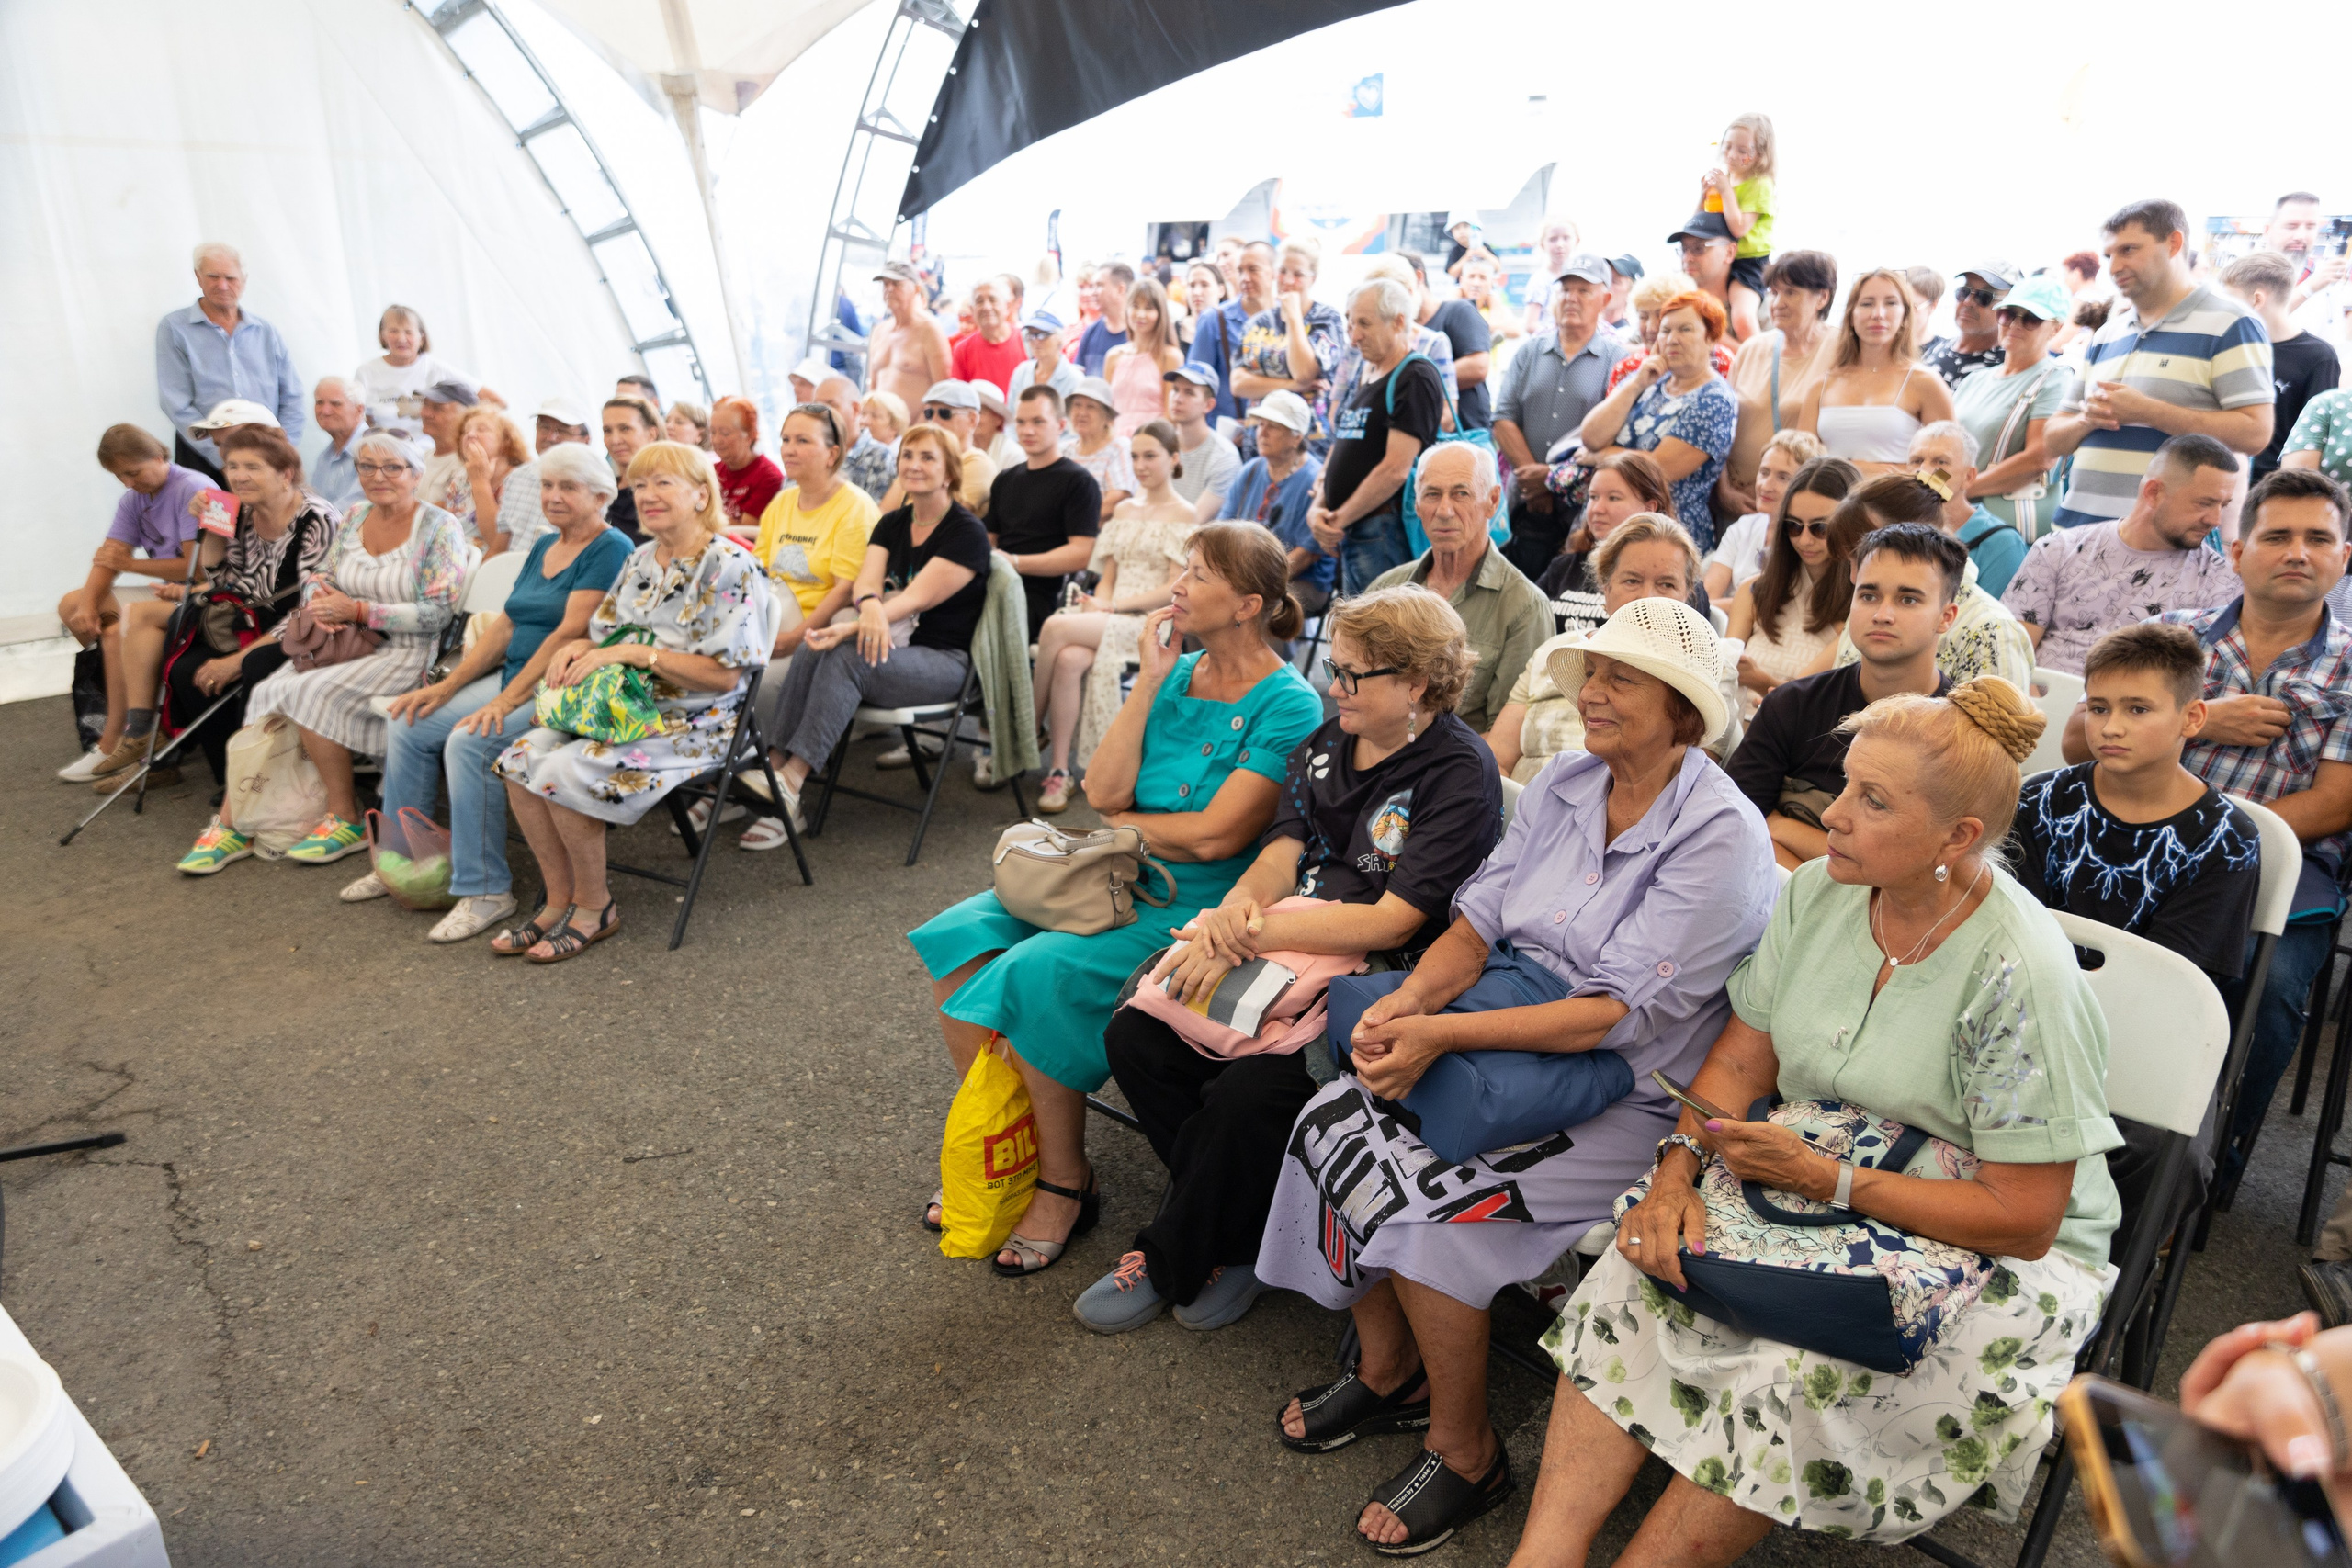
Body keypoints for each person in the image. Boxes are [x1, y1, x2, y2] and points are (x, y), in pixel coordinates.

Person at [1520, 680, 2120, 1559]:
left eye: (1871, 800)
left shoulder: (2021, 973)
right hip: (1818, 1172)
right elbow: (1737, 1060)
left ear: (1957, 839)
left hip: (1986, 1244)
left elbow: (2026, 1220)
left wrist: (1831, 1180)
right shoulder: (1822, 894)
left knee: (1792, 1372)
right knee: (1641, 1267)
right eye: (1844, 783)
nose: (1830, 815)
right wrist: (1675, 1176)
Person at [1258, 597, 1773, 1557]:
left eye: (1623, 680)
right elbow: (1475, 924)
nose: (1592, 693)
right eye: (1594, 673)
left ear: (1684, 716)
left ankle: (1466, 1453)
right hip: (1500, 1029)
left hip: (1626, 1089)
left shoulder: (1720, 835)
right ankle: (1388, 1375)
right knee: (1332, 1119)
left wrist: (1440, 1039)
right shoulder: (1569, 783)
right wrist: (1407, 1005)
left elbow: (1609, 1018)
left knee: (1432, 1210)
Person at [1080, 587, 1503, 1333]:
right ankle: (1240, 1236)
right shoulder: (1326, 743)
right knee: (1136, 1037)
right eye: (1334, 668)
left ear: (1417, 683)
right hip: (1285, 943)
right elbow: (1282, 852)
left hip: (1377, 973)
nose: (1332, 687)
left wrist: (1254, 934)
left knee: (1250, 1093)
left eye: (1351, 675)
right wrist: (1235, 911)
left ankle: (1173, 1251)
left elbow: (1395, 917)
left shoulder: (1457, 771)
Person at [910, 526, 1323, 1271]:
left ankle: (1066, 1182)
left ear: (1247, 604)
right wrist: (1153, 678)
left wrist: (1126, 824)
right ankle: (1017, 1141)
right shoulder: (1178, 670)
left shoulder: (1289, 702)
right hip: (1114, 869)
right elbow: (1100, 790)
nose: (1178, 586)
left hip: (1191, 898)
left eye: (1197, 576)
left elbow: (1214, 839)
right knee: (959, 941)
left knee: (1038, 972)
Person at [2124, 469, 2352, 1187]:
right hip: (2141, 843)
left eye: (2318, 538)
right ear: (2236, 549)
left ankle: (2198, 1166)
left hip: (2284, 872)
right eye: (2277, 536)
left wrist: (2209, 838)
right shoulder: (2173, 637)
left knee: (2274, 985)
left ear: (2344, 557)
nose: (2297, 552)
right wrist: (2203, 718)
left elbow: (2336, 802)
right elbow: (2081, 737)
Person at [2009, 622, 2261, 1224]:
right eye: (2098, 707)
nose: (2111, 726)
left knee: (2164, 1155)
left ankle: (2108, 1292)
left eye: (2137, 708)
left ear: (2192, 717)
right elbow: (2010, 929)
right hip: (2025, 1006)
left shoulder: (2225, 840)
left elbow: (2175, 981)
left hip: (2152, 1029)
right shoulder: (2040, 800)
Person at [492, 441, 778, 954]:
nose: (647, 495)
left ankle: (595, 906)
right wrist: (576, 648)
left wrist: (633, 655)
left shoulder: (730, 564)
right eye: (639, 484)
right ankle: (559, 900)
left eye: (663, 483)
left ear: (699, 494)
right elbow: (602, 636)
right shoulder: (643, 558)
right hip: (624, 706)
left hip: (695, 721)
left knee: (563, 771)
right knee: (518, 760)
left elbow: (722, 679)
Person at [345, 445, 633, 934]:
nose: (553, 496)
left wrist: (504, 700)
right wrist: (445, 687)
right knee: (407, 719)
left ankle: (485, 890)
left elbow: (568, 633)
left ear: (602, 495)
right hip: (515, 677)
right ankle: (405, 862)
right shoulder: (544, 545)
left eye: (568, 487)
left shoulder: (611, 547)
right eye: (547, 485)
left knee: (471, 742)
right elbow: (505, 625)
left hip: (561, 690)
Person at [215, 432, 469, 867]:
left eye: (393, 467)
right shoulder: (354, 516)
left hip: (408, 652)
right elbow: (320, 573)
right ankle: (237, 820)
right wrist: (321, 600)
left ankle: (345, 817)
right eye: (367, 467)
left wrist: (360, 610)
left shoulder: (439, 526)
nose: (378, 476)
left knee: (312, 693)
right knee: (267, 691)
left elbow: (438, 613)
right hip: (346, 644)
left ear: (416, 474)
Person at [737, 423, 994, 842]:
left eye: (927, 458)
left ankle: (792, 780)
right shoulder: (893, 522)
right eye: (907, 457)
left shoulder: (966, 532)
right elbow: (866, 583)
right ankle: (776, 770)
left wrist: (860, 623)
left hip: (945, 660)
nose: (914, 465)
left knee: (845, 652)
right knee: (816, 643)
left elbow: (916, 599)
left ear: (949, 473)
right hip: (891, 643)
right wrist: (870, 606)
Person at [1729, 519, 1960, 867]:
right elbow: (1735, 829)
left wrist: (1779, 825)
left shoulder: (1962, 732)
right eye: (1868, 595)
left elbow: (1929, 872)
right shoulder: (1790, 705)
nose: (1882, 614)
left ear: (1946, 617)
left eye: (1908, 599)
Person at [2048, 199, 2278, 531]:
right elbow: (2054, 441)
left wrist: (2147, 411)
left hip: (2163, 548)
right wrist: (2088, 418)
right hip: (2076, 533)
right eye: (2110, 255)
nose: (2114, 267)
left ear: (2174, 243)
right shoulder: (2106, 335)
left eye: (2129, 249)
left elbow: (2255, 433)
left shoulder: (2232, 323)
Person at [153, 428, 338, 826]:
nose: (239, 476)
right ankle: (233, 776)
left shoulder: (317, 519)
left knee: (255, 667)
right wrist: (213, 528)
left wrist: (237, 659)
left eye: (253, 467)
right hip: (255, 619)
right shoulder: (242, 514)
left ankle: (267, 777)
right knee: (187, 667)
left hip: (313, 625)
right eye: (232, 466)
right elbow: (223, 582)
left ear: (285, 473)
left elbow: (310, 608)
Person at [1033, 417, 1196, 808]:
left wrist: (1113, 605)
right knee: (1070, 659)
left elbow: (1173, 589)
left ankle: (1028, 727)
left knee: (1055, 627)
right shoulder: (1123, 509)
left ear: (1173, 459)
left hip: (1151, 621)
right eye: (1136, 456)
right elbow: (1108, 576)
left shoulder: (1186, 514)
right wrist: (1099, 601)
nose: (1141, 465)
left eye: (1151, 456)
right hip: (1108, 613)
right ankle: (1059, 771)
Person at [1491, 513, 1709, 782]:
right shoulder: (1555, 652)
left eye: (1666, 584)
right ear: (1606, 590)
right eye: (1632, 581)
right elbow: (1498, 759)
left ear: (1687, 596)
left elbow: (1686, 779)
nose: (1647, 597)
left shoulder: (1706, 668)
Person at [2002, 433, 2243, 674]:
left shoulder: (2221, 584)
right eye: (2204, 503)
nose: (2215, 520)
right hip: (2034, 703)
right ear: (2153, 492)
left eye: (2224, 505)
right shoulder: (2057, 549)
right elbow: (2011, 654)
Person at [58, 425, 211, 783]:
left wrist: (131, 566)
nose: (128, 484)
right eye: (119, 476)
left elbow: (198, 567)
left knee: (117, 632)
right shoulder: (133, 500)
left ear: (159, 457)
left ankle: (115, 740)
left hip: (202, 594)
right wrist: (86, 607)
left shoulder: (193, 487)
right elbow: (110, 557)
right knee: (73, 604)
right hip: (168, 593)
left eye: (133, 473)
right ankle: (137, 725)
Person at [1363, 444, 1550, 737]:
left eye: (1461, 494)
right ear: (1416, 503)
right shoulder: (1385, 589)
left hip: (1460, 772)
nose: (1445, 511)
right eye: (1432, 494)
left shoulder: (1524, 606)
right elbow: (1357, 696)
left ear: (1493, 500)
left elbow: (1509, 737)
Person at [1828, 475, 2035, 690]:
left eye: (1862, 557)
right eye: (1851, 562)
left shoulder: (1992, 629)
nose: (1854, 577)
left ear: (1917, 535)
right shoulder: (1872, 607)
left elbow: (1999, 721)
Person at [1305, 279, 1446, 593]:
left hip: (1383, 530)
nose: (1354, 336)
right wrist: (1320, 508)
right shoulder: (1369, 371)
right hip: (1355, 529)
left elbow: (1395, 469)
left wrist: (1337, 520)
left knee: (1382, 634)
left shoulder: (1415, 376)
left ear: (1398, 321)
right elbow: (1344, 446)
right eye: (1350, 322)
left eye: (1364, 323)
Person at [1493, 254, 1628, 578]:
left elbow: (1616, 435)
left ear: (1605, 299)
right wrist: (1536, 482)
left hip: (1585, 508)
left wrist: (1551, 477)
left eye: (1583, 290)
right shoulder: (1530, 350)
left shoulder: (1617, 359)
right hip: (1528, 502)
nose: (1572, 298)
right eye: (1566, 289)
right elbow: (1503, 418)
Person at [1576, 289, 1739, 548]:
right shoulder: (1649, 378)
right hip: (1608, 526)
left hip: (1665, 535)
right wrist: (1637, 383)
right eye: (1665, 331)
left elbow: (1657, 469)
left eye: (1685, 329)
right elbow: (1591, 435)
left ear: (1711, 337)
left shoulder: (1715, 399)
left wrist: (1600, 456)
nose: (1672, 339)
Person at [1724, 455, 1863, 718]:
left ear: (1851, 526)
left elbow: (1802, 700)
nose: (1805, 539)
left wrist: (1758, 680)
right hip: (1729, 728)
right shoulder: (1753, 591)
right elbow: (1722, 676)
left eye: (1820, 528)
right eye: (1793, 526)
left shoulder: (1863, 608)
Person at [157, 243, 305, 482]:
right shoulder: (174, 328)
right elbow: (175, 403)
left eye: (231, 278)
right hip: (204, 458)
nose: (222, 285)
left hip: (267, 459)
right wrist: (225, 458)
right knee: (211, 520)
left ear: (244, 281)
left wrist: (281, 450)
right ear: (198, 277)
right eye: (213, 277)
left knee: (270, 520)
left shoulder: (266, 331)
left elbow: (293, 397)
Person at [751, 401, 881, 671]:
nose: (789, 449)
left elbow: (844, 590)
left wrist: (792, 640)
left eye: (803, 441)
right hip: (768, 620)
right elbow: (756, 571)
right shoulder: (783, 502)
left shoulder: (855, 507)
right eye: (785, 439)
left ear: (832, 454)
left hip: (810, 633)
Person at [1950, 274, 2074, 538]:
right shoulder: (1974, 380)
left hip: (2001, 530)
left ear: (2056, 328)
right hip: (1955, 519)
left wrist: (1962, 490)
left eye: (2031, 318)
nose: (2016, 324)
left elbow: (2040, 457)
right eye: (2008, 314)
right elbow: (1945, 448)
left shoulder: (2055, 380)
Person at [1799, 267, 1957, 474]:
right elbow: (1798, 463)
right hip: (1829, 505)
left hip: (1900, 505)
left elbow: (1950, 472)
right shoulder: (1822, 385)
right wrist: (1854, 469)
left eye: (1891, 303)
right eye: (1867, 304)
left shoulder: (1925, 382)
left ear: (1905, 315)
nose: (1878, 314)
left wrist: (1891, 475)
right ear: (1850, 315)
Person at [1719, 250, 1838, 517]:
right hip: (1737, 502)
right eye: (1773, 292)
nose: (1777, 302)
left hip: (1798, 509)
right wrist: (1724, 491)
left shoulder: (1841, 351)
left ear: (1822, 297)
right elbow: (1722, 427)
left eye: (1791, 292)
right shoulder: (1752, 349)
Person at [989, 386, 1102, 635]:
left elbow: (1082, 554)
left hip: (1040, 595)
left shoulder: (1078, 482)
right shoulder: (1005, 480)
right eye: (1021, 422)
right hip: (993, 582)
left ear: (1061, 425)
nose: (1027, 431)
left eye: (1038, 422)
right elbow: (989, 540)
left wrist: (1016, 563)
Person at [2223, 250, 2341, 479]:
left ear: (2257, 299)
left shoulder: (2318, 357)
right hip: (2224, 478)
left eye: (2230, 301)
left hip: (2277, 486)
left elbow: (2318, 438)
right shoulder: (2229, 347)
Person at [1535, 448, 1679, 618]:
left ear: (1649, 508)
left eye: (1613, 498)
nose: (1597, 509)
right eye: (1593, 497)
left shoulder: (1673, 577)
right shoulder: (1563, 567)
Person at [1222, 390, 1329, 616]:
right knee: (1203, 605)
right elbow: (1223, 526)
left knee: (1260, 611)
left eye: (1274, 426)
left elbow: (1306, 555)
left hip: (1300, 580)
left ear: (1297, 436)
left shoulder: (1314, 481)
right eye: (1261, 424)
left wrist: (1254, 583)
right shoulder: (1251, 469)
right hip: (1245, 576)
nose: (1263, 432)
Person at [1233, 239, 1348, 451]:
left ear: (1313, 279)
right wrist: (1293, 385)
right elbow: (1238, 383)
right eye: (1283, 271)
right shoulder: (1258, 322)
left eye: (1298, 274)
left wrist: (1294, 316)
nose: (1287, 280)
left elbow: (1304, 372)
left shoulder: (1326, 319)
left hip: (1308, 441)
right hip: (1258, 439)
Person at [1702, 427, 1824, 602]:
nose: (1766, 485)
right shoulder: (1743, 527)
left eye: (1783, 477)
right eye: (1764, 472)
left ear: (1806, 485)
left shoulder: (1806, 540)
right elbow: (1709, 598)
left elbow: (1776, 607)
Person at [1911, 421, 2028, 597]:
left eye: (1941, 462)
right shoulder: (1894, 525)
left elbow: (2000, 619)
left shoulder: (2001, 542)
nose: (1924, 470)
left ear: (1968, 477)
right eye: (1917, 461)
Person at [1699, 111, 1775, 342]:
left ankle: (1760, 363)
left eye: (1742, 151)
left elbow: (1739, 228)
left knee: (1742, 318)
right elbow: (1700, 225)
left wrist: (1725, 191)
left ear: (1760, 154)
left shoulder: (1760, 184)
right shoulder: (1728, 180)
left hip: (1749, 263)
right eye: (1728, 146)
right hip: (1722, 259)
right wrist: (1703, 196)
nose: (1732, 155)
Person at [1188, 240, 1276, 424]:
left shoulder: (1288, 318)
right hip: (1228, 437)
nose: (1245, 278)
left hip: (1278, 433)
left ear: (1273, 272)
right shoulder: (1214, 319)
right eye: (1241, 270)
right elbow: (1195, 386)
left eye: (1253, 269)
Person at [1406, 250, 1494, 430]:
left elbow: (1478, 367)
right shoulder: (1403, 330)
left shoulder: (1457, 310)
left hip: (1466, 436)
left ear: (1418, 277)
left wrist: (1413, 382)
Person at [352, 304, 464, 435]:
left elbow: (485, 398)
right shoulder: (366, 372)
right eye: (393, 331)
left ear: (421, 338)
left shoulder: (437, 369)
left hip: (429, 450)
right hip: (384, 450)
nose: (401, 338)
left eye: (408, 332)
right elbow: (359, 419)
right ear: (382, 336)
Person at [1102, 276, 1183, 436]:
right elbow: (1105, 410)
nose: (1140, 314)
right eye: (1135, 306)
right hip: (1115, 444)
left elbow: (1172, 416)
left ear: (1161, 313)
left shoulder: (1171, 357)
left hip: (1154, 443)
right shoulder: (1113, 356)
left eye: (1148, 308)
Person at [1161, 365, 1242, 521]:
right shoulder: (1160, 444)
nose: (1178, 399)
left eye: (1189, 393)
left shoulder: (1224, 456)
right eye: (1176, 390)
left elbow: (1194, 522)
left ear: (1209, 405)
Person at [1920, 260, 2018, 388]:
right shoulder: (1937, 349)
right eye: (1964, 292)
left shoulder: (2006, 369)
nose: (1968, 302)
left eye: (1984, 296)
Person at [450, 405, 533, 555]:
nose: (470, 435)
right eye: (466, 431)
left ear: (505, 441)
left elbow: (497, 543)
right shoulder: (460, 478)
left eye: (482, 429)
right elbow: (449, 532)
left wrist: (480, 482)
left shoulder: (520, 480)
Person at [1061, 378, 1136, 521]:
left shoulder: (1119, 447)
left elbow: (1118, 497)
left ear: (1107, 416)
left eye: (1091, 406)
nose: (1082, 412)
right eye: (1077, 405)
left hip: (1099, 531)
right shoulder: (1064, 450)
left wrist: (1077, 524)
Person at [1665, 212, 1742, 344]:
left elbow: (1768, 361)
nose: (1687, 258)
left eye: (1698, 248)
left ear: (1729, 252)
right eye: (1684, 249)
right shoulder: (1670, 301)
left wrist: (1709, 329)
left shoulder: (1755, 307)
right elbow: (1629, 347)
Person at [708, 396, 783, 530]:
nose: (716, 440)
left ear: (750, 435)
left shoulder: (768, 477)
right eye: (712, 432)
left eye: (725, 433)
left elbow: (746, 532)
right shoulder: (712, 470)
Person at [599, 395, 663, 544]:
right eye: (607, 430)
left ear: (651, 434)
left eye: (625, 429)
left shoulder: (665, 493)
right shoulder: (603, 491)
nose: (615, 440)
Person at [949, 276, 1024, 395]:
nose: (987, 307)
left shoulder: (1026, 341)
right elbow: (959, 397)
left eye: (993, 300)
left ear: (1007, 306)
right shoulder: (962, 350)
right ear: (972, 310)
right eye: (980, 301)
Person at [414, 378, 479, 515]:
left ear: (467, 416)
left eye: (438, 408)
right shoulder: (420, 458)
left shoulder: (471, 464)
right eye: (425, 404)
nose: (425, 413)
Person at [309, 377, 368, 512]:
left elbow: (353, 510)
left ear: (359, 410)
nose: (325, 411)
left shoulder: (371, 451)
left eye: (335, 404)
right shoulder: (325, 457)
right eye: (319, 403)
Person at [1006, 310, 1083, 406]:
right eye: (1031, 335)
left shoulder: (1074, 379)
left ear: (1060, 338)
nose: (1036, 341)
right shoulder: (1021, 372)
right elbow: (1011, 415)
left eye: (1043, 335)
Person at [1521, 217, 1583, 335]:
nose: (1560, 244)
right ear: (1542, 244)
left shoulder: (1581, 276)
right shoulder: (1540, 280)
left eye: (1566, 238)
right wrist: (1562, 336)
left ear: (1577, 241)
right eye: (1553, 239)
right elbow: (1530, 324)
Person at [1074, 260, 1134, 376]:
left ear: (1120, 289)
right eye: (1094, 286)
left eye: (1099, 286)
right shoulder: (1091, 332)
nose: (1093, 292)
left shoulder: (1140, 333)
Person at [851, 390, 909, 502]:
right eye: (863, 414)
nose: (865, 421)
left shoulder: (904, 455)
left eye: (875, 416)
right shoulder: (855, 451)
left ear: (895, 425)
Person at [1180, 259, 1225, 353]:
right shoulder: (1173, 331)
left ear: (1221, 290)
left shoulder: (1230, 329)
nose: (1197, 292)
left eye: (1205, 285)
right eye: (1192, 285)